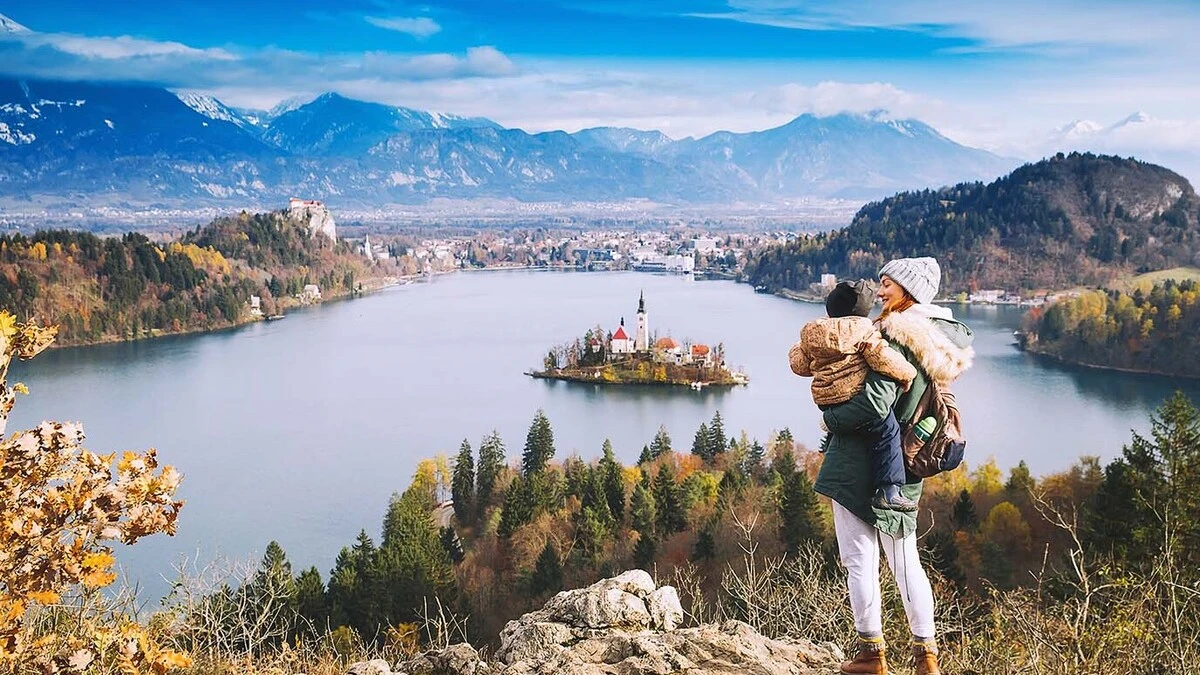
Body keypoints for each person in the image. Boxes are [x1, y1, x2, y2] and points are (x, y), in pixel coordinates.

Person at [812, 257, 974, 675]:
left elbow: (874, 403)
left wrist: (831, 419)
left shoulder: (897, 336)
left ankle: (872, 655)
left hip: (858, 463)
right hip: (904, 466)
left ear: (909, 291)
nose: (881, 292)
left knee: (859, 560)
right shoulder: (941, 338)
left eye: (888, 284)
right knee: (905, 562)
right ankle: (927, 658)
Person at [789, 279, 918, 511]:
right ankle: (889, 490)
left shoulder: (812, 333)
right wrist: (908, 374)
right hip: (853, 396)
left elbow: (800, 366)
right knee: (887, 431)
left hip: (825, 402)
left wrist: (798, 348)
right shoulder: (863, 332)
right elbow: (883, 359)